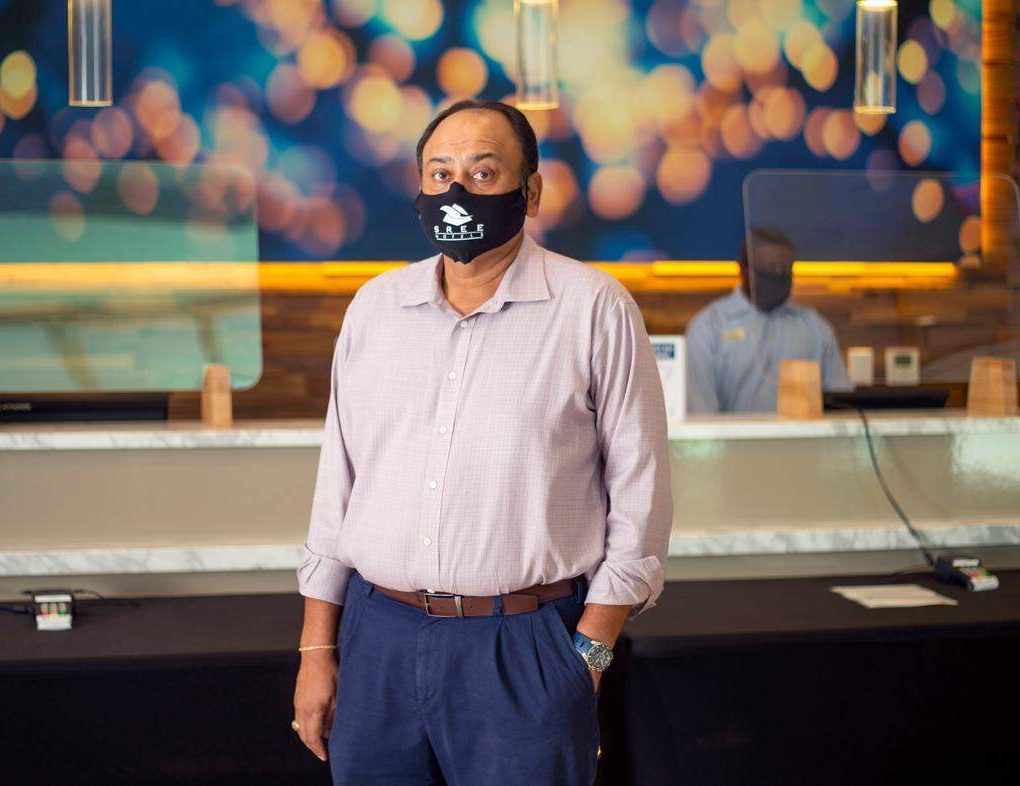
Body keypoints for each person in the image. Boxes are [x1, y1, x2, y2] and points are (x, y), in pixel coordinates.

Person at [291, 99, 673, 785]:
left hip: (526, 646)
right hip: (377, 638)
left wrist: (586, 656)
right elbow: (336, 495)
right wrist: (316, 650)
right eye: (439, 174)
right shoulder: (375, 309)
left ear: (530, 190)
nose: (457, 191)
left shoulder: (594, 308)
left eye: (482, 170)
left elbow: (641, 501)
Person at [686, 227, 852, 413]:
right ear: (744, 269)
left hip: (802, 442)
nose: (778, 276)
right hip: (733, 442)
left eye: (786, 271)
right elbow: (701, 413)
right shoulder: (709, 326)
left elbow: (841, 408)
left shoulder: (815, 327)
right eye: (770, 270)